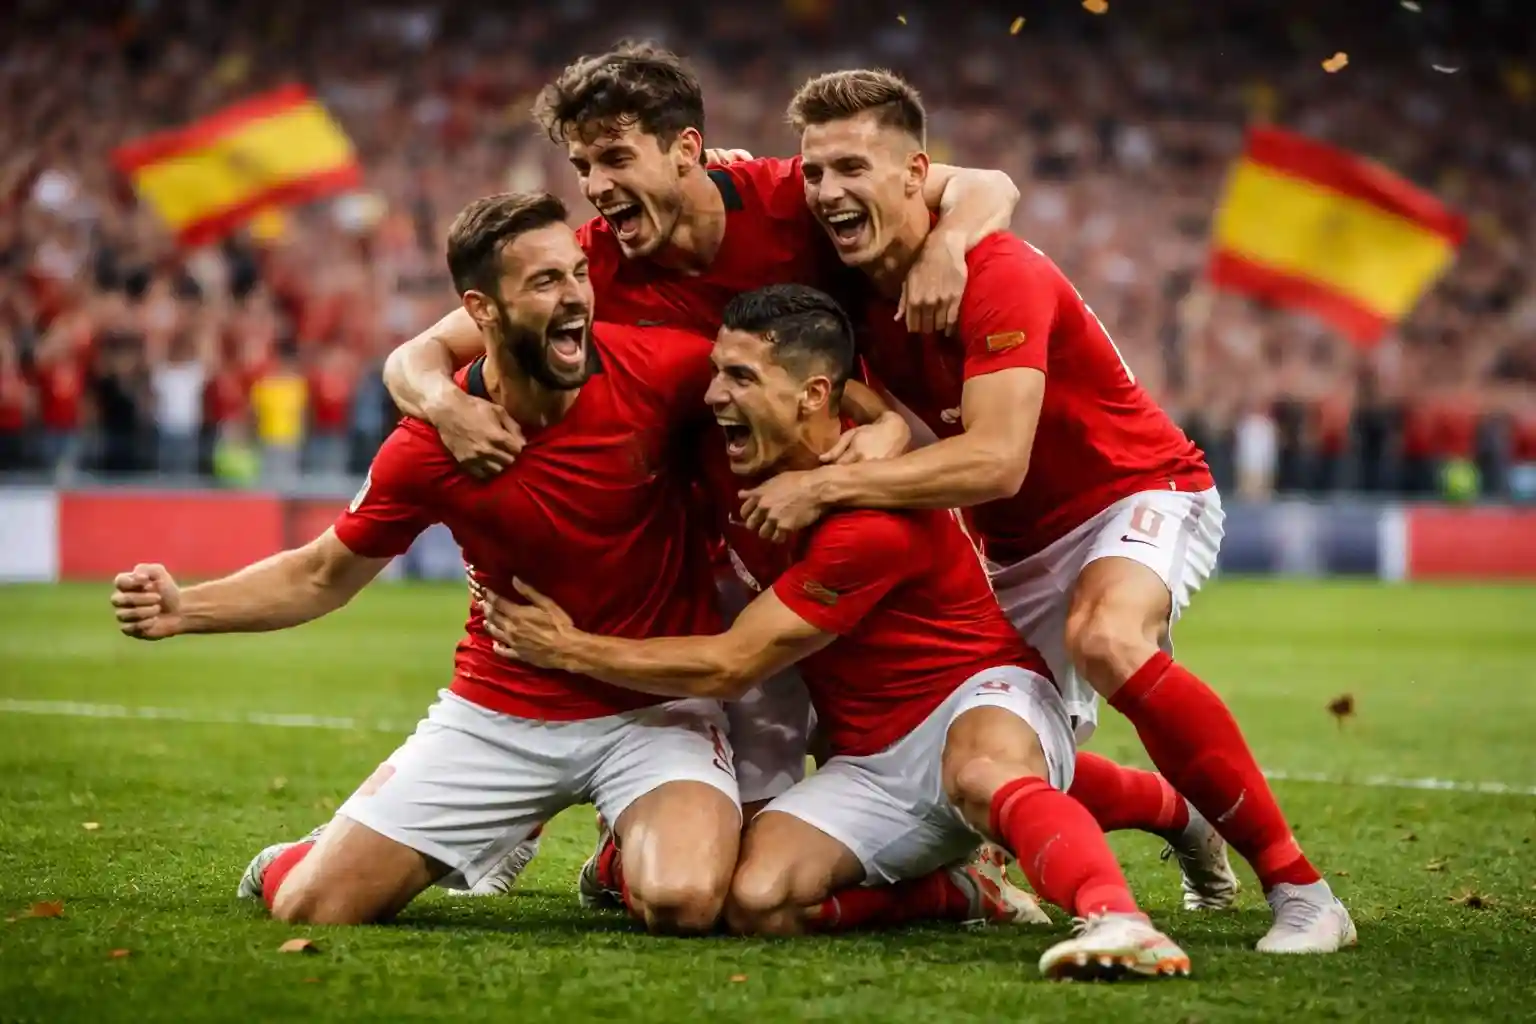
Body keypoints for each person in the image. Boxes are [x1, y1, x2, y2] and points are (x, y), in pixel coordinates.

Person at [732, 70, 1355, 954]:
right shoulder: (845, 285)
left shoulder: (998, 271)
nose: (829, 191)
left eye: (853, 168)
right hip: (1012, 547)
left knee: (1108, 640)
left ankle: (1303, 892)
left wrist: (827, 484)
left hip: (1133, 491)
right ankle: (1177, 814)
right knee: (962, 744)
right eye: (816, 174)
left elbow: (994, 460)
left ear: (918, 174)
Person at [380, 41, 1024, 889]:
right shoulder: (591, 264)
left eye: (615, 157)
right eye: (582, 165)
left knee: (865, 696)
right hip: (710, 531)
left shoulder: (790, 197)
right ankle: (543, 824)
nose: (597, 185)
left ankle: (966, 851)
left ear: (686, 150)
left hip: (831, 503)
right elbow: (415, 355)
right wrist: (447, 403)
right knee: (748, 739)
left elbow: (988, 185)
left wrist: (951, 251)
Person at [482, 285, 1190, 981]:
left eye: (739, 377)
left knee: (980, 775)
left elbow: (732, 664)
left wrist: (564, 647)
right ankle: (965, 891)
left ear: (814, 396)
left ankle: (1118, 918)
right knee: (756, 902)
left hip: (976, 696)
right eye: (716, 374)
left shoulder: (868, 515)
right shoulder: (736, 455)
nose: (713, 395)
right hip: (868, 756)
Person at [108, 192, 743, 934]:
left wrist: (880, 435)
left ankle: (619, 856)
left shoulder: (661, 371)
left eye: (577, 273)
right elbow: (322, 575)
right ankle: (308, 854)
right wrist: (187, 608)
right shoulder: (428, 446)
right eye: (544, 282)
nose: (575, 296)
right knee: (313, 906)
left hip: (654, 709)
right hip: (503, 711)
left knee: (684, 901)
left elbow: (786, 386)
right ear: (483, 310)